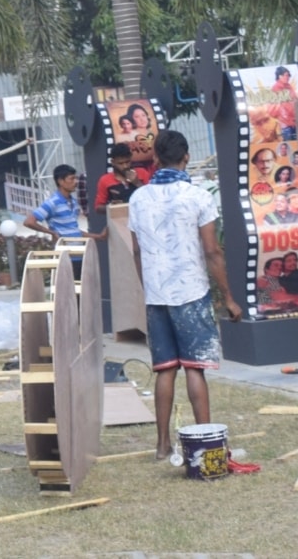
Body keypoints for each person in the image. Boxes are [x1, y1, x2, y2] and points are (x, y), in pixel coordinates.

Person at [128, 130, 243, 461]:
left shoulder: (138, 199)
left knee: (165, 369)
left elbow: (137, 251)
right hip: (192, 291)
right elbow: (212, 251)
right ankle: (205, 441)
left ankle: (162, 444)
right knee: (195, 368)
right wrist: (229, 297)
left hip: (157, 294)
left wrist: (148, 286)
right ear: (187, 157)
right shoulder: (198, 196)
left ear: (155, 158)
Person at [94, 143, 150, 212]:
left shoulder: (142, 173)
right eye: (120, 163)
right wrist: (112, 207)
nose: (125, 166)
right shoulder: (105, 180)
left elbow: (152, 198)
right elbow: (98, 207)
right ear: (113, 162)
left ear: (131, 158)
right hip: (119, 217)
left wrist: (137, 183)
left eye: (127, 162)